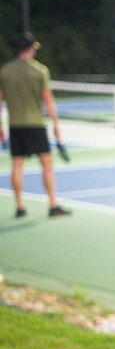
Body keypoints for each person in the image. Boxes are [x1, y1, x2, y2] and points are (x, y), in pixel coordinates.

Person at [0, 33, 71, 218]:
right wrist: (56, 124)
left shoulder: (5, 71)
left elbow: (0, 100)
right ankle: (53, 205)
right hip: (36, 125)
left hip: (15, 126)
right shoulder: (40, 70)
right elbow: (48, 99)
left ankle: (20, 207)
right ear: (31, 49)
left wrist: (0, 125)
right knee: (46, 164)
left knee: (17, 165)